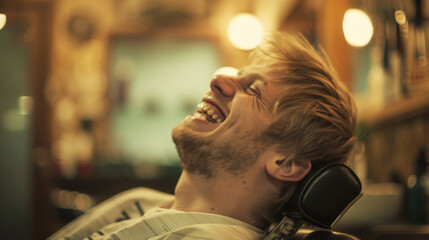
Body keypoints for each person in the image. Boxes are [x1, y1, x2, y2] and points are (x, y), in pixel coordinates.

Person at [48, 32, 356, 240]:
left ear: (286, 162)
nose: (218, 80)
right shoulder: (141, 201)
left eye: (254, 91)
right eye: (236, 74)